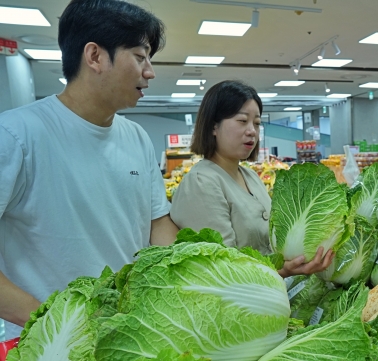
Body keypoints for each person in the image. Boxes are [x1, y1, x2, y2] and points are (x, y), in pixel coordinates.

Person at [0, 0, 179, 340]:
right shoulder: (15, 135)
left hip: (129, 334)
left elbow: (158, 223)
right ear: (95, 56)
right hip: (50, 347)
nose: (150, 71)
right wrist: (55, 323)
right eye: (140, 57)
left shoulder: (136, 137)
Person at [170, 80, 333, 277]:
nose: (252, 131)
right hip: (242, 302)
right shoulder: (201, 182)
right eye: (242, 121)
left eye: (256, 123)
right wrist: (283, 272)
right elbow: (222, 269)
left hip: (272, 294)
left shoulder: (249, 175)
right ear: (214, 126)